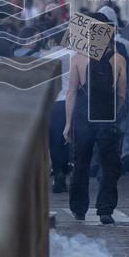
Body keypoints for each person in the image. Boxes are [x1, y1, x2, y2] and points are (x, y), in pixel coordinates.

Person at [63, 13, 126, 224]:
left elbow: (71, 92)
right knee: (109, 164)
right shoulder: (118, 59)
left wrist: (68, 123)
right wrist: (114, 113)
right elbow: (121, 94)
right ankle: (105, 209)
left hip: (83, 117)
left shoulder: (78, 58)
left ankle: (79, 209)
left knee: (81, 163)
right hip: (106, 117)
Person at [45, 29, 73, 193]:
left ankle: (58, 174)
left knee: (54, 141)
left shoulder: (47, 56)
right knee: (67, 139)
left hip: (53, 103)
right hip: (70, 101)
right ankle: (66, 169)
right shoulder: (74, 55)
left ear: (52, 39)